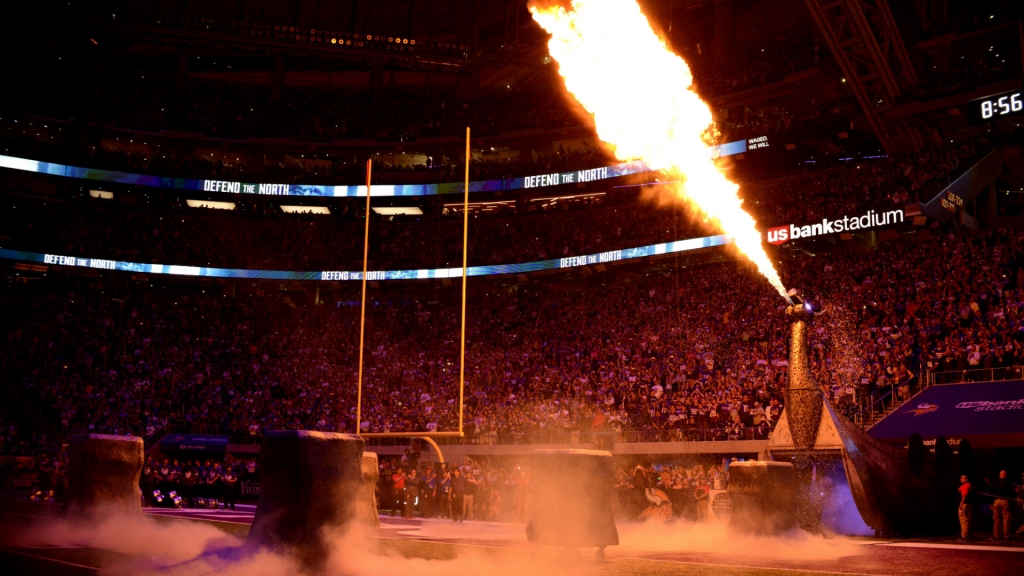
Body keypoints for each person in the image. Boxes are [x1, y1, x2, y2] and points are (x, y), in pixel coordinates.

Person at [989, 470, 1015, 540]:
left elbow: (991, 493)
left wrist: (991, 503)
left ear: (1000, 475)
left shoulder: (995, 484)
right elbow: (1012, 494)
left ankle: (996, 535)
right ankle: (1005, 535)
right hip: (1005, 502)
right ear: (1005, 475)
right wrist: (1012, 504)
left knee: (996, 519)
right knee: (1006, 519)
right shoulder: (1009, 484)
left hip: (996, 501)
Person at [958, 475, 977, 540]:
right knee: (969, 519)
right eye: (961, 478)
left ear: (966, 479)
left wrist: (961, 503)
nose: (961, 479)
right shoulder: (970, 485)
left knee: (964, 519)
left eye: (963, 478)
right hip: (970, 504)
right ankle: (970, 534)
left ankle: (964, 535)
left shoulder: (965, 485)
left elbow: (964, 495)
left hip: (965, 504)